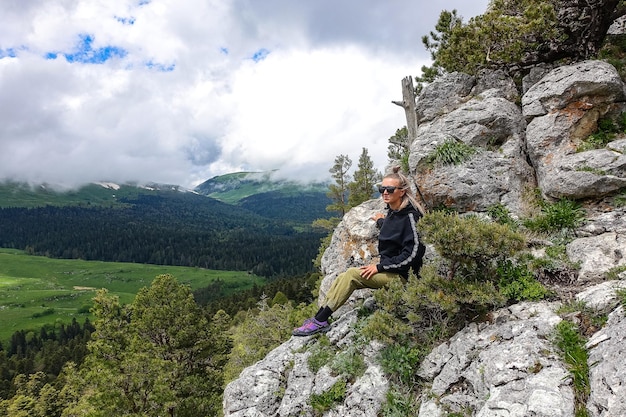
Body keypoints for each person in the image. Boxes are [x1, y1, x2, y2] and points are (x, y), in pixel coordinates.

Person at [292, 167, 426, 336]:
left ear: (402, 192)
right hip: (391, 271)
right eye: (381, 189)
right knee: (343, 276)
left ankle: (320, 321)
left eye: (389, 189)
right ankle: (319, 317)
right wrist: (380, 221)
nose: (384, 193)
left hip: (405, 279)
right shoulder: (394, 212)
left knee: (352, 275)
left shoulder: (410, 217)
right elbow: (393, 230)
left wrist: (380, 267)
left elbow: (413, 254)